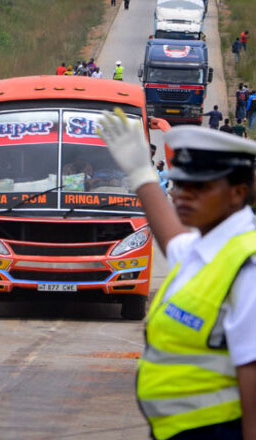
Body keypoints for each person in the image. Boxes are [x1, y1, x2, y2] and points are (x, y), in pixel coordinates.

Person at [99, 110, 256, 440]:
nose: (181, 194)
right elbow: (171, 235)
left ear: (238, 193)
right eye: (179, 183)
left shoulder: (248, 267)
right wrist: (141, 173)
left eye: (200, 187)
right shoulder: (204, 250)